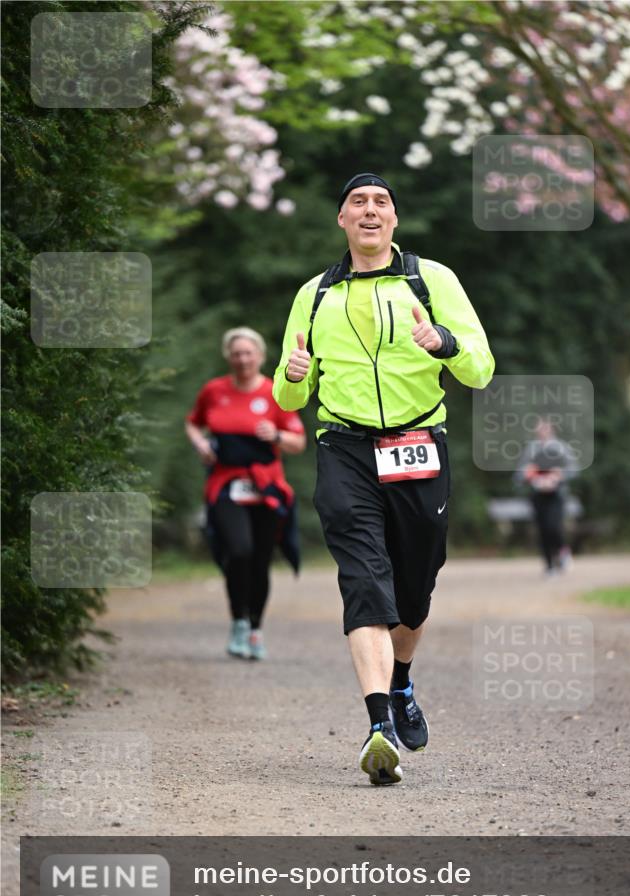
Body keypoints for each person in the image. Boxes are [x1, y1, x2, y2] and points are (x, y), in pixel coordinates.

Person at [273, 172, 494, 786]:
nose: (369, 211)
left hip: (418, 444)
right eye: (357, 203)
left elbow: (480, 370)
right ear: (342, 220)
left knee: (414, 590)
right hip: (344, 447)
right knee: (364, 579)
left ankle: (401, 683)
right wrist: (293, 374)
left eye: (381, 203)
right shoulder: (315, 294)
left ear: (394, 220)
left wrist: (443, 342)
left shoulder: (432, 279)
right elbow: (288, 397)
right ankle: (380, 727)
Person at [186, 327, 306, 660]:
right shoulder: (214, 390)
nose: (242, 359)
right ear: (228, 356)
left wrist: (277, 435)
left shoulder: (275, 392)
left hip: (266, 486)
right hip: (226, 483)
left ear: (260, 356)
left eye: (248, 353)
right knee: (239, 551)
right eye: (236, 353)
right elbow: (193, 422)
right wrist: (200, 443)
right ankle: (238, 620)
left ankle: (255, 628)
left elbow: (298, 442)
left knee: (260, 560)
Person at [515, 418, 578, 576]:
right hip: (537, 496)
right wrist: (530, 476)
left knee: (554, 527)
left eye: (545, 427)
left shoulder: (562, 448)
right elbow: (519, 474)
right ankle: (549, 566)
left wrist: (558, 476)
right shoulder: (531, 449)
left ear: (551, 429)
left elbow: (573, 469)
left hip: (556, 495)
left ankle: (562, 552)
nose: (542, 431)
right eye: (539, 428)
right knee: (542, 531)